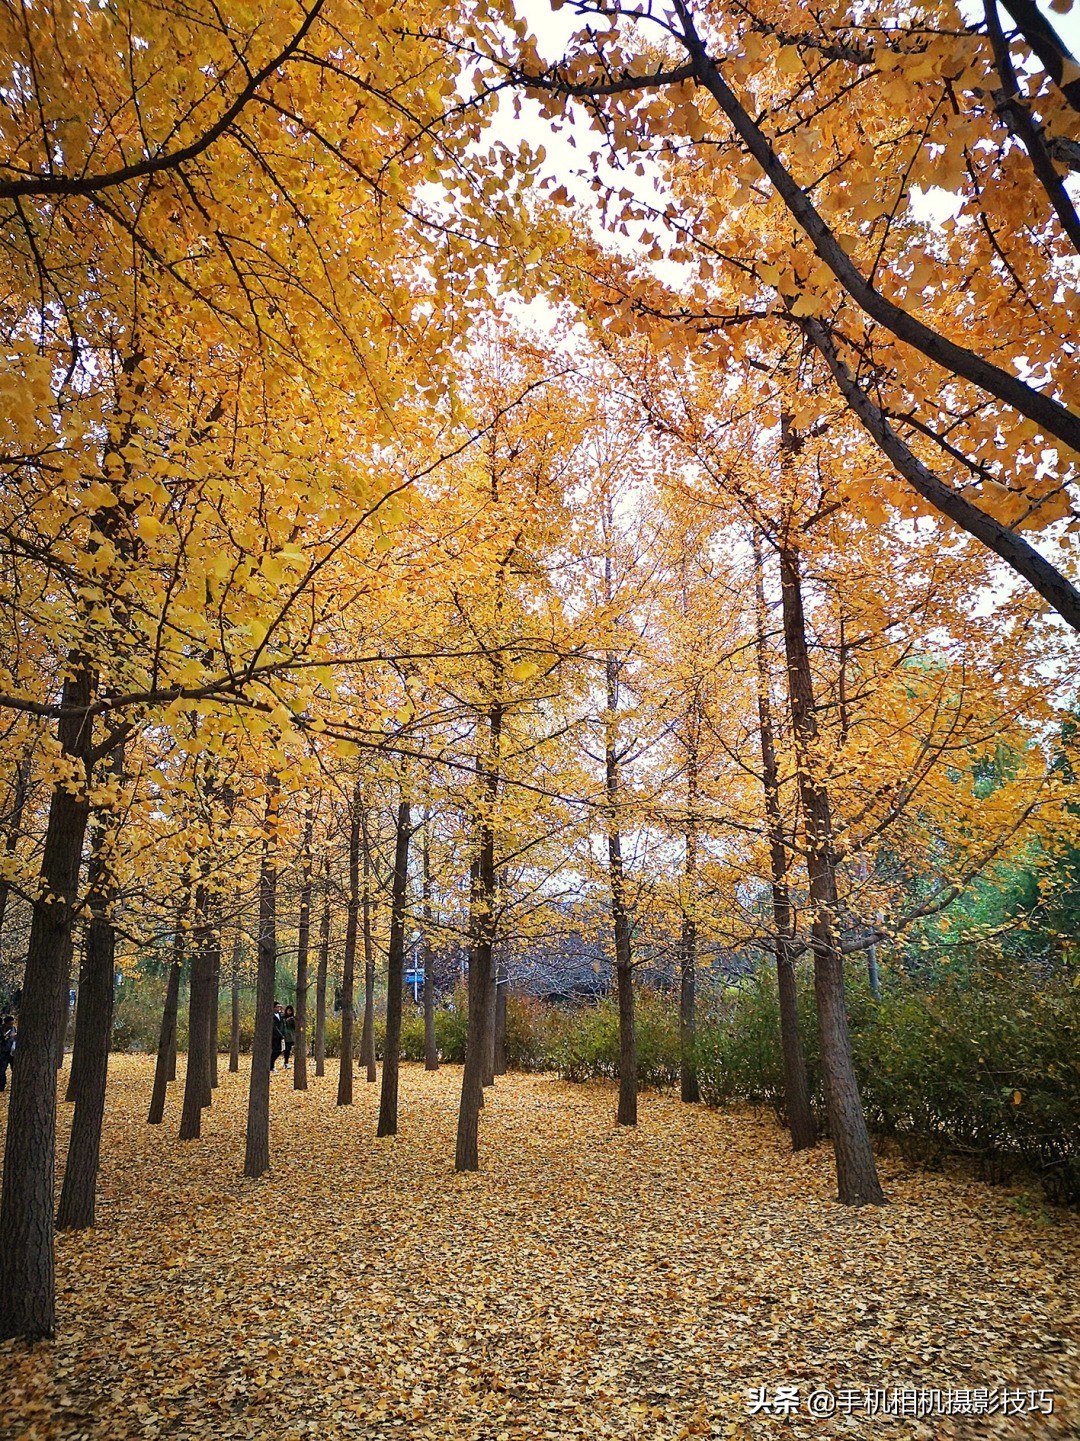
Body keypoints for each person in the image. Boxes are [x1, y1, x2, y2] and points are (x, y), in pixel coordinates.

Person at [0, 1016, 15, 1092]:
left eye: (12, 1023)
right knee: (2, 1070)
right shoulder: (1, 1029)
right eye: (10, 1024)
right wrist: (8, 1036)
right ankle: (1, 1085)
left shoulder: (13, 1028)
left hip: (12, 1053)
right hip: (3, 1052)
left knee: (14, 1069)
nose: (11, 1025)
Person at [270, 1002, 285, 1071]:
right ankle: (271, 1065)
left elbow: (282, 1024)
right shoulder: (271, 1016)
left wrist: (283, 1034)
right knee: (275, 1050)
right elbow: (274, 1027)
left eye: (279, 1007)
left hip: (280, 1036)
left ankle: (271, 1064)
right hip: (274, 1036)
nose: (278, 1008)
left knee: (279, 1050)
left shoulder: (280, 1015)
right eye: (277, 1007)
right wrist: (279, 1034)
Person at [283, 1005, 296, 1069]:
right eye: (288, 1011)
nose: (289, 1012)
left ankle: (286, 1062)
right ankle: (286, 1062)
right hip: (285, 1037)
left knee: (288, 1050)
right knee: (286, 1050)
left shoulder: (293, 1018)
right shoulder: (283, 1017)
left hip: (291, 1037)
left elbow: (295, 1027)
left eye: (291, 1011)